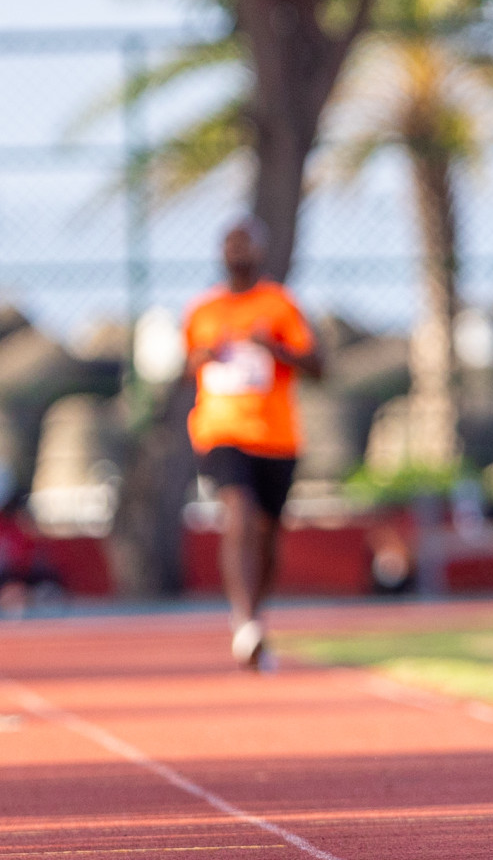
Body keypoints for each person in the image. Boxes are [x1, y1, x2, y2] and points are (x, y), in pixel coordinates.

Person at [184, 217, 321, 669]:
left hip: (277, 438)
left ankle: (254, 617)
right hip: (221, 432)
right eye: (229, 243)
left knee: (267, 536)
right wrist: (204, 356)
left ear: (261, 252)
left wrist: (274, 348)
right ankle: (243, 621)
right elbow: (187, 365)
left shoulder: (279, 305)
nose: (236, 251)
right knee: (238, 513)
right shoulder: (203, 312)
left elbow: (318, 365)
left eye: (245, 243)